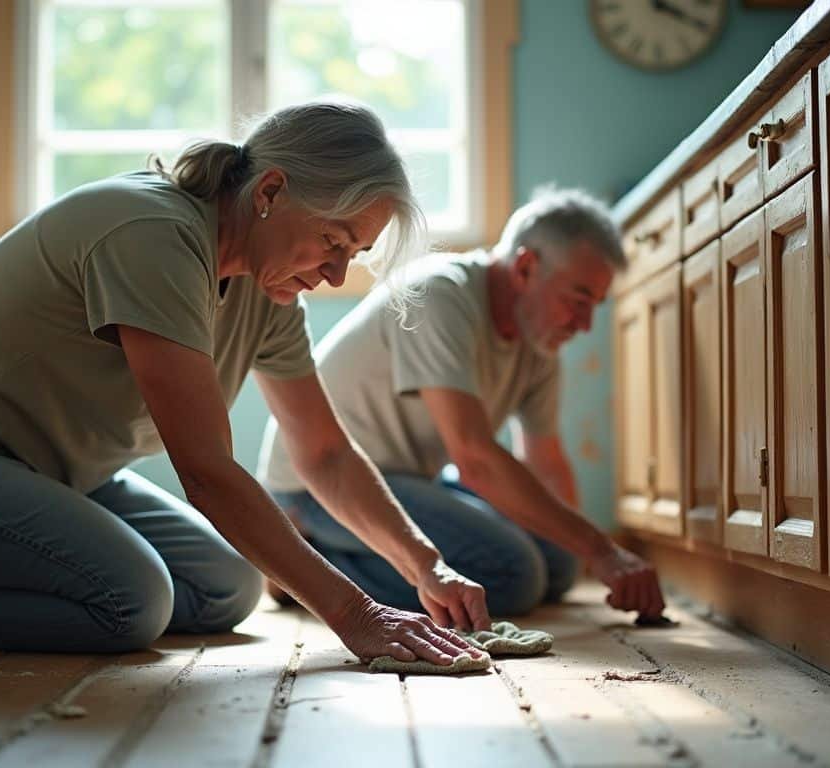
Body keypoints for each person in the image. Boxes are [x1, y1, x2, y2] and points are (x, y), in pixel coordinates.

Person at [0, 101, 491, 667]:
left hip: (49, 470)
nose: (332, 274)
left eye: (351, 255)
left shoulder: (267, 292)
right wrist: (358, 616)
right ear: (270, 190)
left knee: (226, 585)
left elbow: (324, 453)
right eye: (332, 241)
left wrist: (427, 567)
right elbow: (207, 469)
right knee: (131, 601)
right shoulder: (154, 234)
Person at [259, 186, 666, 619]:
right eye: (578, 300)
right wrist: (604, 549)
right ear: (526, 267)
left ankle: (347, 555)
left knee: (560, 564)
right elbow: (475, 459)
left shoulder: (539, 342)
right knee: (516, 575)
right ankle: (298, 564)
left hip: (412, 482)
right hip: (317, 486)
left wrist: (595, 558)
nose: (584, 325)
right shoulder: (440, 295)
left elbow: (546, 463)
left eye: (595, 307)